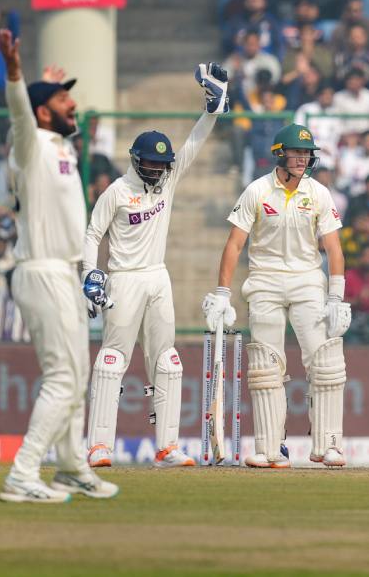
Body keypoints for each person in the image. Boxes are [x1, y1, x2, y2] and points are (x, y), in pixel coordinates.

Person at [82, 64, 228, 470]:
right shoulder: (116, 191)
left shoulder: (167, 177)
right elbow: (93, 235)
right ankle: (99, 447)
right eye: (149, 165)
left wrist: (212, 110)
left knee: (168, 361)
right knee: (112, 360)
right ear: (135, 161)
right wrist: (90, 274)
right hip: (124, 280)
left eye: (160, 166)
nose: (157, 171)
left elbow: (194, 144)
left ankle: (167, 446)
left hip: (158, 277)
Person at [0, 30, 117, 502]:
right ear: (42, 112)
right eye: (65, 98)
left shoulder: (63, 147)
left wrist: (49, 86)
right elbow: (21, 114)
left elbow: (49, 117)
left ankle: (70, 466)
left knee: (77, 374)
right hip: (41, 269)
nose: (74, 103)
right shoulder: (29, 146)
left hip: (66, 274)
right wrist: (16, 75)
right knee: (63, 377)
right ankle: (23, 473)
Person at [206, 123, 352, 468]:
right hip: (265, 282)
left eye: (306, 153)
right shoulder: (257, 191)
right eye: (296, 152)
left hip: (307, 282)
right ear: (280, 154)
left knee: (325, 363)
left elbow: (333, 247)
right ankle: (270, 450)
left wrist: (336, 296)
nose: (302, 159)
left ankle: (329, 445)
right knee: (266, 367)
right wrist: (222, 294)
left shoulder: (319, 193)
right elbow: (235, 243)